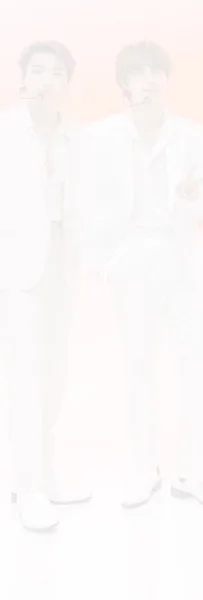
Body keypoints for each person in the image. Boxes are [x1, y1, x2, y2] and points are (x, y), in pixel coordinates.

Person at [80, 40, 203, 509]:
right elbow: (90, 201)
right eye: (137, 73)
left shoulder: (191, 136)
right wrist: (105, 261)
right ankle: (144, 470)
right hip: (131, 262)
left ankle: (192, 471)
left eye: (155, 72)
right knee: (139, 366)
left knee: (196, 363)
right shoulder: (102, 136)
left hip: (181, 258)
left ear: (166, 79)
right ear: (124, 84)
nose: (148, 80)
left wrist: (192, 197)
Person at [0, 41, 90, 531]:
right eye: (37, 70)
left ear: (66, 84)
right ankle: (28, 488)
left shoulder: (75, 138)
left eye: (56, 72)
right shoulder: (7, 132)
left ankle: (46, 475)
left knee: (54, 376)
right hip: (17, 271)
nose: (46, 80)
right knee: (25, 379)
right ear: (23, 79)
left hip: (61, 265)